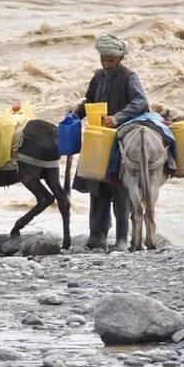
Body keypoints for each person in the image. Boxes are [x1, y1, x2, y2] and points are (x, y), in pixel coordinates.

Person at [73, 34, 149, 251]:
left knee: (120, 188)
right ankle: (96, 237)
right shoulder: (98, 77)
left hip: (121, 139)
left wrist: (118, 117)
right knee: (96, 187)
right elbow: (89, 101)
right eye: (104, 60)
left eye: (111, 61)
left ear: (120, 59)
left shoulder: (129, 77)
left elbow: (141, 101)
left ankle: (122, 239)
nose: (107, 64)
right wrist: (75, 115)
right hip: (98, 138)